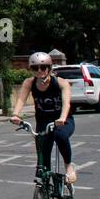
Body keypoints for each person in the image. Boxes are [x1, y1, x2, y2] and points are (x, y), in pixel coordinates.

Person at [11, 52, 77, 184]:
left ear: (49, 68)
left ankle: (69, 166)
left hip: (63, 121)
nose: (39, 71)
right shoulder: (29, 83)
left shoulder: (61, 83)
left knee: (60, 137)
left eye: (43, 67)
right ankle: (44, 190)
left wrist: (62, 118)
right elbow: (21, 99)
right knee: (42, 155)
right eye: (35, 68)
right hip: (43, 121)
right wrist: (16, 114)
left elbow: (66, 103)